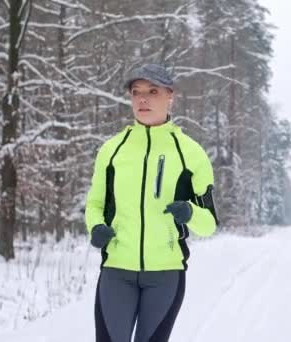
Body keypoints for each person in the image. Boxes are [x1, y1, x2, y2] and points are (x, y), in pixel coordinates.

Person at [84, 63, 219, 342]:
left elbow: (209, 224)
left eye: (152, 91)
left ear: (170, 96)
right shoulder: (112, 150)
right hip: (116, 271)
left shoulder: (190, 154)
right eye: (136, 92)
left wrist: (190, 211)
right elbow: (95, 203)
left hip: (166, 275)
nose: (143, 99)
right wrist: (96, 227)